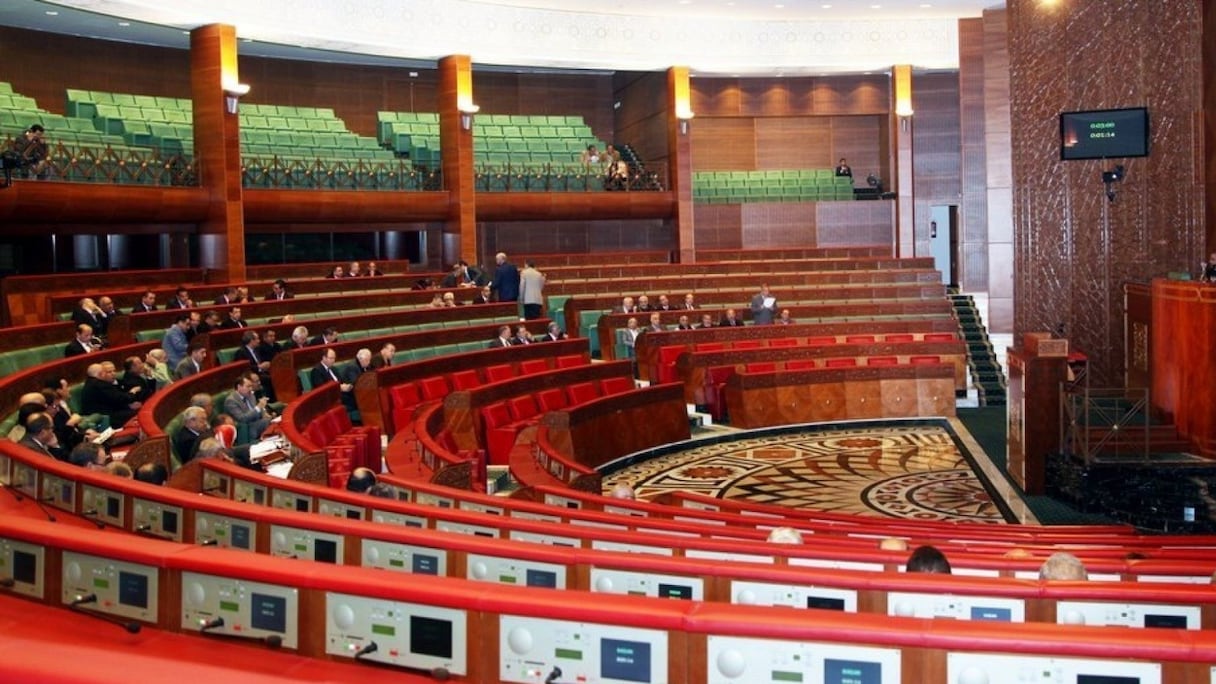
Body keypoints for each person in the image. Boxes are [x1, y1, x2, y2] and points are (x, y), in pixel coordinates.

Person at [81, 362, 141, 427]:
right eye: (105, 372)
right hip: (106, 417)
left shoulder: (90, 383)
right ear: (100, 374)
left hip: (102, 413)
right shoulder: (99, 384)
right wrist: (132, 392)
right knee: (139, 413)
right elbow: (118, 398)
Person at [223, 376, 270, 444]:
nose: (251, 389)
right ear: (239, 387)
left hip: (256, 422)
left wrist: (264, 413)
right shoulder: (231, 401)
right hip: (245, 429)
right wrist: (258, 407)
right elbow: (242, 418)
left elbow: (257, 409)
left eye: (251, 386)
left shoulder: (250, 395)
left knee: (271, 420)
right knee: (267, 422)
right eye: (248, 386)